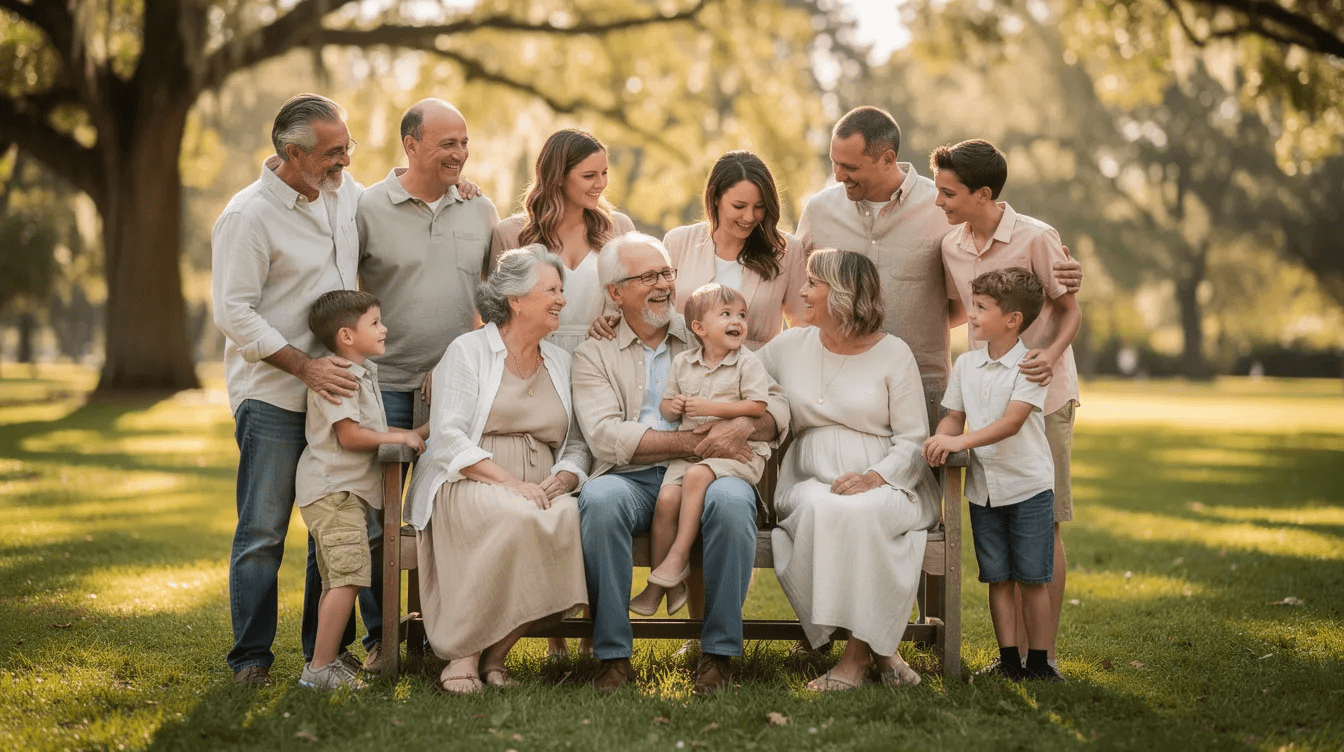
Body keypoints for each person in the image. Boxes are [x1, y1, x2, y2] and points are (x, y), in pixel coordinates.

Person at [572, 233, 789, 694]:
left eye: (666, 273)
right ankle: (613, 656)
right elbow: (605, 435)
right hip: (631, 478)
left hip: (712, 474)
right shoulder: (596, 350)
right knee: (599, 500)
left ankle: (718, 656)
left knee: (732, 503)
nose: (663, 285)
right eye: (647, 277)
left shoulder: (704, 328)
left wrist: (744, 425)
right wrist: (693, 442)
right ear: (615, 293)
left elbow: (777, 408)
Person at [212, 94, 363, 687]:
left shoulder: (341, 191)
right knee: (263, 531)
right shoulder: (247, 216)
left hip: (334, 398)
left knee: (331, 526)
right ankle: (250, 658)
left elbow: (392, 194)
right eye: (333, 152)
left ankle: (323, 655)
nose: (345, 161)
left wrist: (456, 186)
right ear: (293, 154)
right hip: (274, 394)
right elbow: (234, 312)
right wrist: (305, 367)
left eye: (348, 147)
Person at [404, 246, 590, 695]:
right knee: (517, 517)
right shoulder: (468, 351)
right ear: (516, 300)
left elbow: (578, 443)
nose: (562, 299)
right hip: (469, 479)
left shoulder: (561, 361)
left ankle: (497, 655)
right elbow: (448, 437)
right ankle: (463, 656)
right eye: (551, 290)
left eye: (561, 290)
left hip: (541, 486)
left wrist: (565, 477)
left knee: (569, 517)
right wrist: (513, 484)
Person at [796, 106, 1083, 395]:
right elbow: (793, 287)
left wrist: (1061, 269)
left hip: (922, 384)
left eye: (851, 167)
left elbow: (993, 262)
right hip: (834, 380)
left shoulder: (945, 210)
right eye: (834, 163)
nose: (838, 175)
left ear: (888, 158)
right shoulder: (818, 211)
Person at [757, 248, 941, 691]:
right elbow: (731, 370)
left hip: (891, 481)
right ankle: (885, 653)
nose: (802, 292)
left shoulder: (893, 353)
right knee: (823, 508)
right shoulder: (788, 347)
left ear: (841, 294)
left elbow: (913, 438)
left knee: (861, 512)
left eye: (812, 283)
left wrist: (874, 478)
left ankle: (854, 661)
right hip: (809, 479)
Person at [931, 139, 1081, 675]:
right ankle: (1011, 656)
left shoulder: (1037, 237)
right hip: (985, 395)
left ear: (983, 193)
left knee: (1044, 522)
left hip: (1044, 395)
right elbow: (962, 312)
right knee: (1000, 530)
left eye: (949, 193)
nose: (939, 201)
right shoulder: (951, 246)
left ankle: (1045, 655)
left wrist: (1049, 356)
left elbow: (1069, 312)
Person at [924, 268, 1063, 682]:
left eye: (981, 307)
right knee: (997, 577)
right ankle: (1008, 662)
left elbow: (1011, 423)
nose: (971, 314)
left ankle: (1040, 663)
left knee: (1033, 579)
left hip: (1028, 488)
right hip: (983, 491)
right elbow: (954, 416)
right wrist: (941, 437)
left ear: (1012, 320)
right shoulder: (966, 364)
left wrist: (959, 442)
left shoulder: (1031, 365)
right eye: (973, 304)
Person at [294, 291, 427, 689]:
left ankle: (325, 660)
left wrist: (422, 431)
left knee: (339, 578)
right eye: (375, 323)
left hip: (342, 493)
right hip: (335, 493)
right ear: (347, 336)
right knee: (348, 578)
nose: (384, 328)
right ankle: (319, 669)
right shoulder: (340, 377)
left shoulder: (362, 373)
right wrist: (401, 437)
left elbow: (375, 430)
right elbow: (351, 436)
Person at [628, 284, 774, 618]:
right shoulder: (683, 363)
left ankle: (677, 558)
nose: (737, 321)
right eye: (726, 314)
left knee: (695, 476)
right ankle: (663, 585)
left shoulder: (747, 363)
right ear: (699, 328)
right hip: (692, 455)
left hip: (737, 455)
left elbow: (757, 406)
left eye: (741, 315)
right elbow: (666, 408)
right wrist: (674, 407)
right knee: (667, 500)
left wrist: (710, 407)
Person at [491, 129, 637, 354]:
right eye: (589, 176)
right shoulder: (510, 233)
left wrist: (617, 319)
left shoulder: (618, 228)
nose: (601, 183)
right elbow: (497, 317)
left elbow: (638, 300)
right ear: (558, 177)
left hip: (603, 356)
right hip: (534, 357)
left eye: (604, 173)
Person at [660, 151, 806, 349]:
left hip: (757, 367)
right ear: (715, 198)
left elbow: (803, 326)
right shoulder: (677, 242)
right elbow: (657, 317)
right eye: (739, 206)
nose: (749, 217)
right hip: (683, 365)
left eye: (759, 206)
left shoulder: (787, 251)